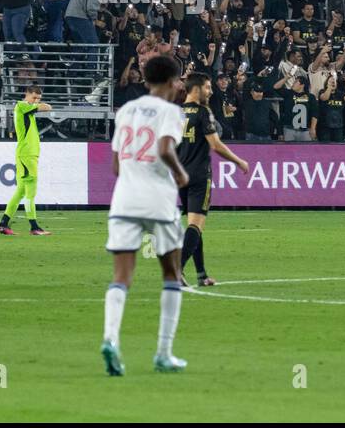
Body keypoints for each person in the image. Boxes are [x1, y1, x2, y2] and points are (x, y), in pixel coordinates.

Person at [102, 53, 190, 377]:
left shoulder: (126, 110)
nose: (181, 85)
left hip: (124, 199)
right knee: (171, 273)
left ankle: (111, 339)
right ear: (171, 81)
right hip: (160, 201)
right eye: (180, 80)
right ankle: (164, 354)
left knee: (121, 277)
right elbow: (166, 148)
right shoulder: (172, 112)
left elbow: (114, 165)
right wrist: (180, 175)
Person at [177, 72, 250, 288]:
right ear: (197, 89)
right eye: (207, 87)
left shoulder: (176, 113)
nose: (210, 91)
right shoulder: (203, 112)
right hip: (199, 175)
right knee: (196, 225)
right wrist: (239, 161)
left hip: (180, 175)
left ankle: (201, 275)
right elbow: (216, 145)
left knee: (194, 224)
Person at [0, 86, 53, 235]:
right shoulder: (21, 105)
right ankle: (34, 227)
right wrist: (39, 105)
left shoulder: (27, 109)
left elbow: (45, 107)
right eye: (33, 97)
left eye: (38, 98)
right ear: (26, 95)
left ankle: (3, 224)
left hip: (27, 154)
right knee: (31, 191)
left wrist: (38, 105)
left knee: (21, 192)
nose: (35, 101)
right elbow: (46, 107)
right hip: (27, 155)